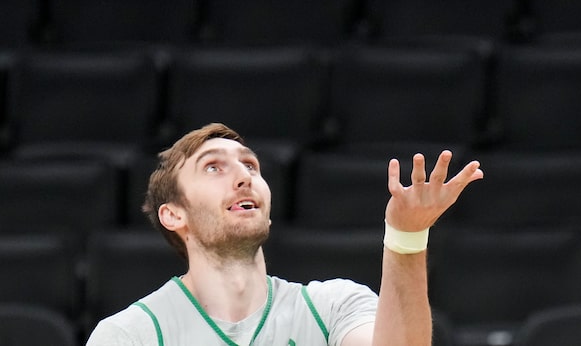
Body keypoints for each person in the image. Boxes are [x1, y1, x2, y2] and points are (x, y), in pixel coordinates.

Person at [86, 122, 483, 346]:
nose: (244, 176)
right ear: (174, 214)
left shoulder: (331, 308)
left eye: (251, 166)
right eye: (213, 167)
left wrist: (406, 235)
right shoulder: (131, 335)